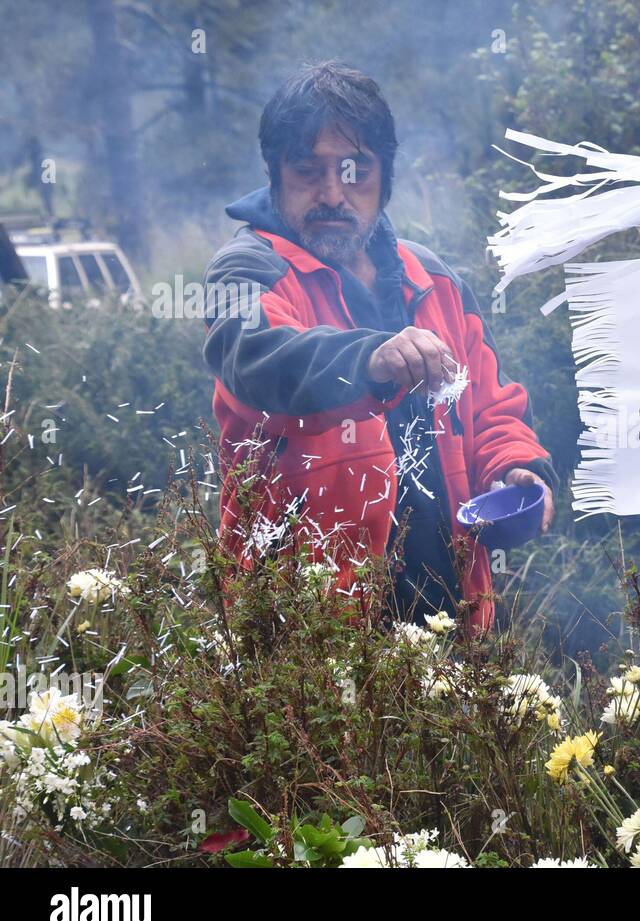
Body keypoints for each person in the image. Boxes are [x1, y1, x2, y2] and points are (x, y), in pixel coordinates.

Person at [202, 60, 558, 633]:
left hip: (450, 616)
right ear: (275, 176)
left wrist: (514, 470)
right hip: (308, 633)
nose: (331, 194)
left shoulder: (435, 280)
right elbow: (256, 358)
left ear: (384, 179)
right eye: (306, 172)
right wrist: (369, 358)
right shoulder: (247, 270)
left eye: (354, 172)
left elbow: (491, 411)